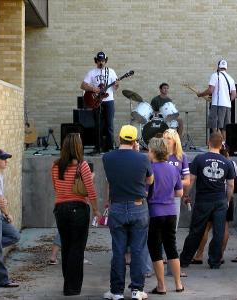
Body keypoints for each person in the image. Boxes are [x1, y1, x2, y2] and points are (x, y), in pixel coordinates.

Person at [102, 125, 154, 300]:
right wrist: (138, 152)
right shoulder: (143, 158)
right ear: (134, 141)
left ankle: (116, 291)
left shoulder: (107, 157)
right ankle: (137, 290)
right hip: (138, 206)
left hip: (116, 206)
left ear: (119, 138)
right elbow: (150, 179)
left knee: (118, 251)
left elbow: (110, 179)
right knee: (138, 250)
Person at [51, 133, 100, 296]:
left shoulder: (55, 165)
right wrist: (95, 209)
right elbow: (90, 192)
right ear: (78, 147)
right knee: (77, 248)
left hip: (60, 209)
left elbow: (56, 187)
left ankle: (68, 283)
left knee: (66, 247)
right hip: (78, 209)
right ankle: (72, 288)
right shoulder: (82, 166)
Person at [179, 132, 235, 269]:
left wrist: (186, 195)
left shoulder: (199, 159)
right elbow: (231, 185)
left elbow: (191, 180)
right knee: (219, 232)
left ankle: (184, 260)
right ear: (221, 145)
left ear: (208, 143)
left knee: (196, 231)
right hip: (220, 201)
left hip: (203, 200)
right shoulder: (227, 162)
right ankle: (215, 262)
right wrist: (227, 201)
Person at [146, 138, 184, 295]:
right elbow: (179, 193)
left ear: (154, 152)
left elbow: (146, 192)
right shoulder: (173, 169)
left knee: (155, 249)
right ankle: (178, 283)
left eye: (148, 150)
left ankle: (161, 286)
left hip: (155, 212)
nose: (147, 153)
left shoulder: (150, 169)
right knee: (171, 247)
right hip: (171, 212)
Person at [192, 143, 237, 264]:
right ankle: (219, 256)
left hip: (209, 197)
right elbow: (235, 184)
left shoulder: (205, 160)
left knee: (205, 228)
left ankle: (199, 255)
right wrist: (228, 200)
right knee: (224, 229)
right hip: (225, 199)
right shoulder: (231, 163)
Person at [0, 149, 20, 288]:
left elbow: (1, 199)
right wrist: (8, 214)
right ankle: (2, 281)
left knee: (14, 235)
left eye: (6, 158)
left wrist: (4, 206)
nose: (6, 161)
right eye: (3, 158)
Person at [163, 129, 190, 276]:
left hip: (174, 198)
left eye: (169, 138)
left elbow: (187, 180)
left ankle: (172, 269)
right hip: (159, 199)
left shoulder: (181, 157)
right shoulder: (159, 155)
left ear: (175, 141)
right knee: (157, 233)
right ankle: (153, 266)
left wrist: (172, 180)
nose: (166, 140)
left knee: (171, 233)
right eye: (164, 138)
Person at [80, 51, 119, 153]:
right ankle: (98, 147)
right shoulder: (91, 72)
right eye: (98, 61)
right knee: (98, 125)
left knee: (109, 125)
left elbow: (115, 88)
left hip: (109, 101)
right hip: (96, 101)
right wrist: (93, 88)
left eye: (102, 61)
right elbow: (83, 85)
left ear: (105, 61)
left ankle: (110, 147)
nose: (100, 62)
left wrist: (117, 84)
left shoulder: (111, 71)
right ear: (96, 61)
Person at [196, 59, 237, 140]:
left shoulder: (215, 75)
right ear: (226, 68)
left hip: (217, 105)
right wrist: (227, 100)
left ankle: (217, 147)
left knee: (215, 127)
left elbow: (210, 90)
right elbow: (234, 94)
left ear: (218, 66)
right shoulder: (231, 79)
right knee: (224, 129)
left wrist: (200, 94)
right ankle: (224, 148)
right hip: (228, 106)